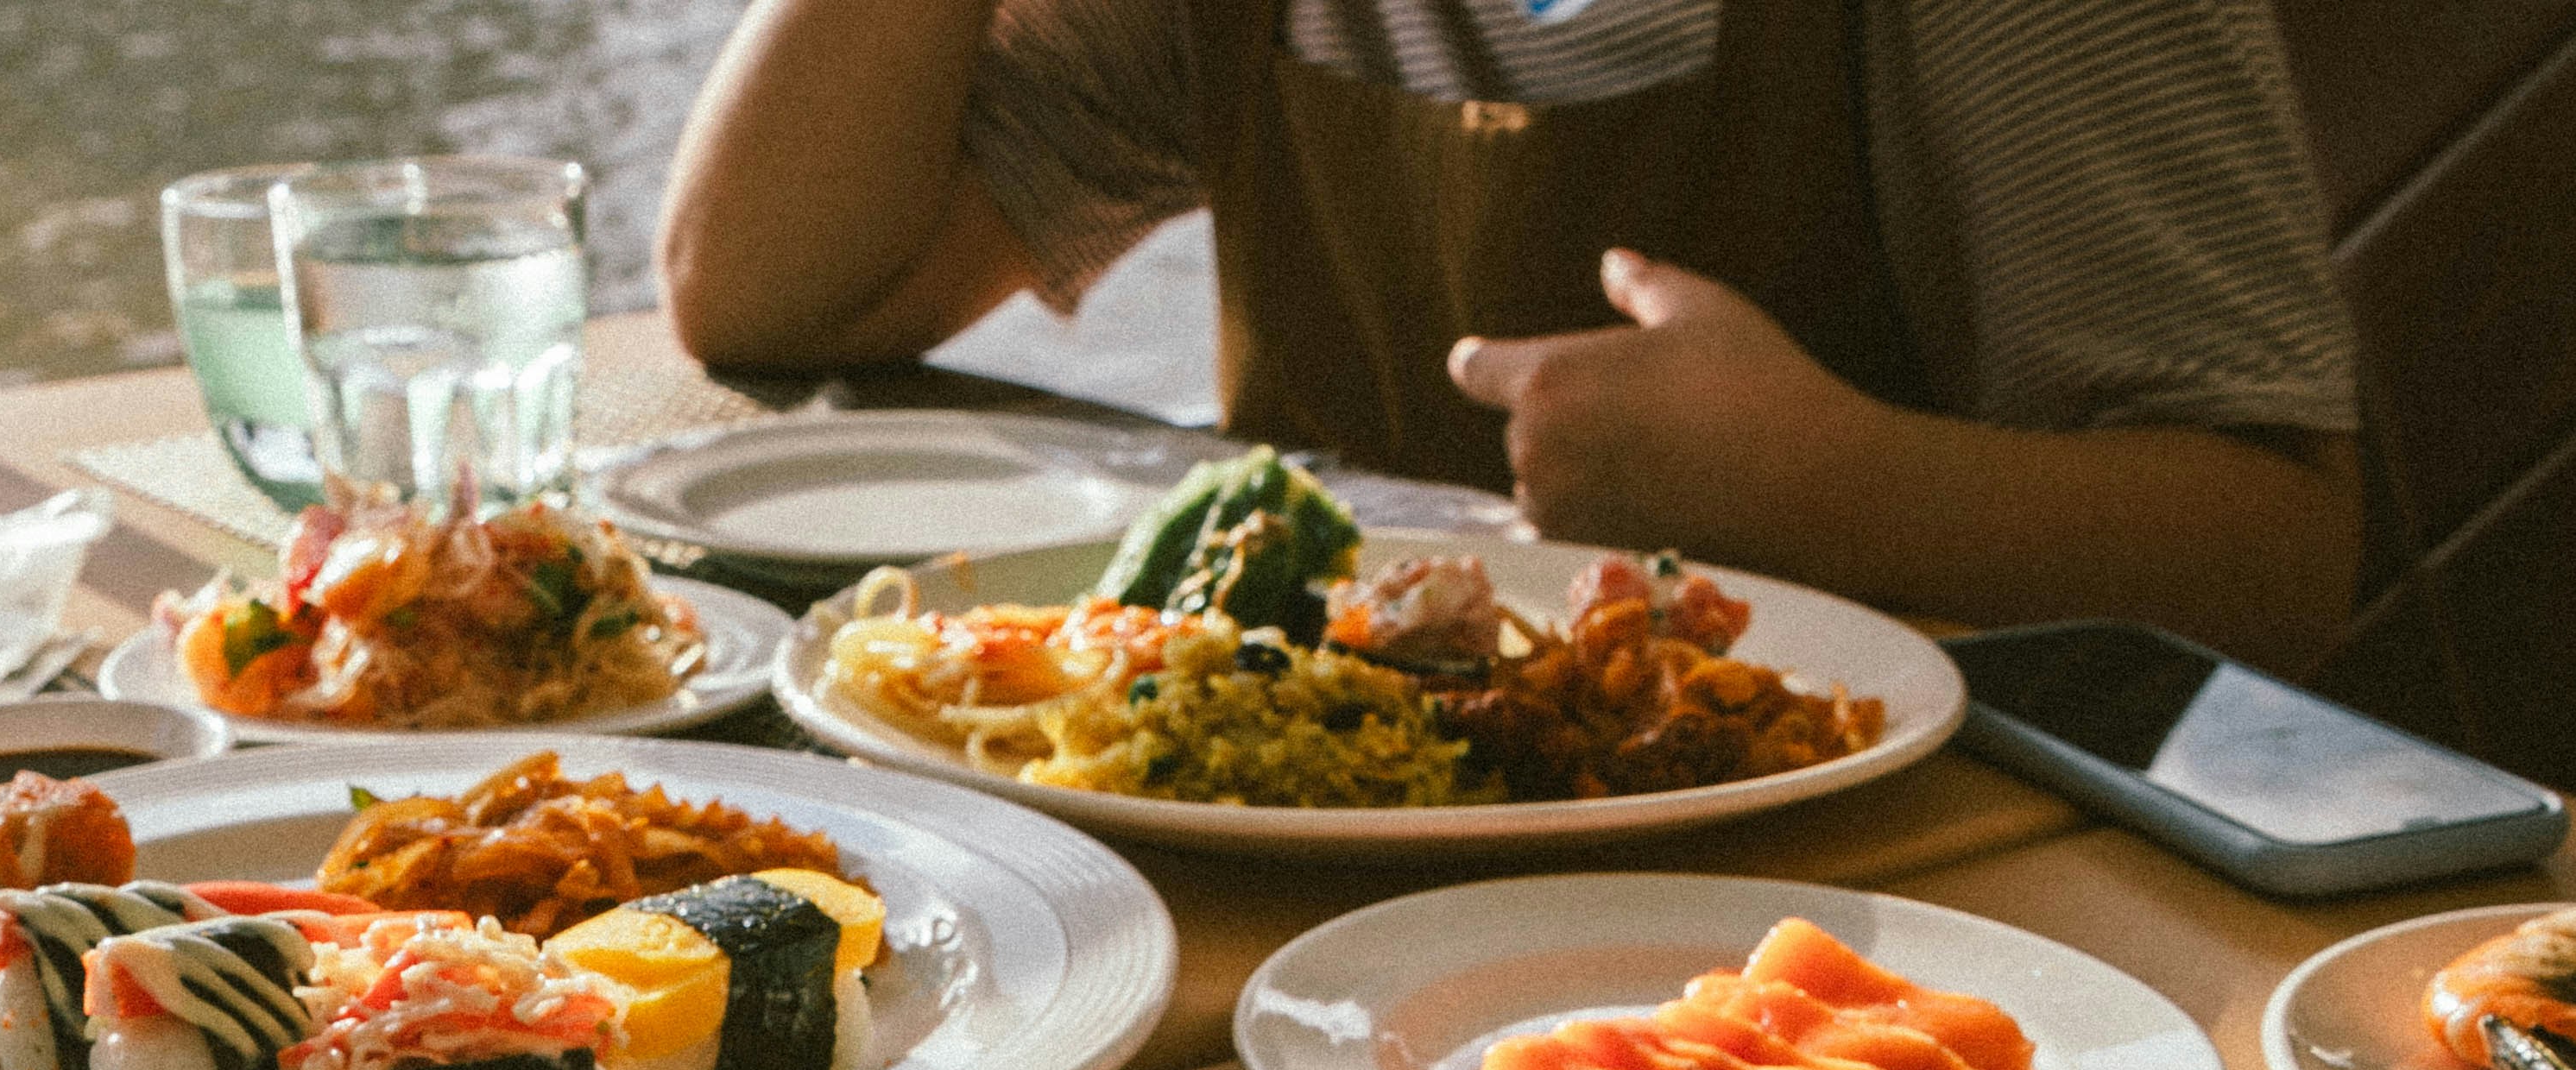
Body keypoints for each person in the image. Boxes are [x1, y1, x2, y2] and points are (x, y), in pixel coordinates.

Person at [660, 0, 2362, 667]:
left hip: (1866, 909)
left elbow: (2278, 553)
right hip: (1303, 881)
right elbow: (773, 288)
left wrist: (1827, 489)